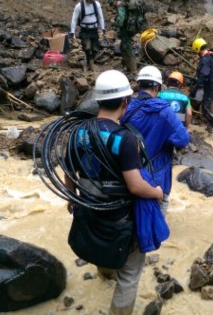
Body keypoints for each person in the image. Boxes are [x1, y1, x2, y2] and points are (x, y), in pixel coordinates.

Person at [64, 69, 163, 315]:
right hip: (119, 217)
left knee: (101, 246)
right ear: (125, 102)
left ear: (98, 100)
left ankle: (104, 271)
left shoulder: (79, 132)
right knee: (129, 274)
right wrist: (157, 192)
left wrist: (72, 196)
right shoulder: (125, 139)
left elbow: (68, 170)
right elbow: (135, 185)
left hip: (88, 208)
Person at [122, 66, 190, 215]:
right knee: (154, 229)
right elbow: (183, 139)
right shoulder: (164, 111)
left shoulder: (126, 108)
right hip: (156, 179)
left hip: (129, 177)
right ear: (158, 87)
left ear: (138, 85)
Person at [190, 37, 213, 140]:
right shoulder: (211, 55)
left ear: (197, 49)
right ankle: (210, 128)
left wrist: (197, 87)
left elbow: (204, 75)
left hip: (210, 86)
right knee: (207, 106)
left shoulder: (205, 59)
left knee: (206, 109)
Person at [70, 0, 106, 71]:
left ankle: (91, 60)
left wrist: (103, 29)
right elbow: (74, 19)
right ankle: (89, 62)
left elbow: (100, 17)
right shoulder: (79, 6)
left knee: (95, 47)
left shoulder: (96, 4)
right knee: (87, 47)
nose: (92, 0)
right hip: (85, 30)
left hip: (94, 29)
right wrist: (72, 32)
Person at [108, 0, 138, 75]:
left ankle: (133, 70)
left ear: (115, 0)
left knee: (128, 49)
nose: (112, 6)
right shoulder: (124, 5)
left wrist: (113, 22)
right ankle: (128, 67)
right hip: (128, 30)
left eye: (111, 3)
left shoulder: (120, 7)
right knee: (123, 47)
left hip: (126, 31)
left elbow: (120, 22)